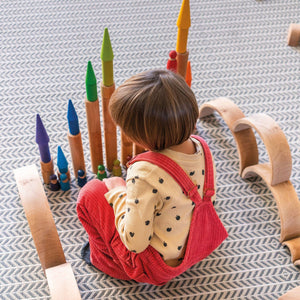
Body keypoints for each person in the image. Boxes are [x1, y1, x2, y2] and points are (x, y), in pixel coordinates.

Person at [77, 69, 228, 285]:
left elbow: (135, 243)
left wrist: (118, 192)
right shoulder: (201, 146)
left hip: (155, 267)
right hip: (199, 243)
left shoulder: (144, 173)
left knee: (91, 193)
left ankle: (108, 263)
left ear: (139, 136)